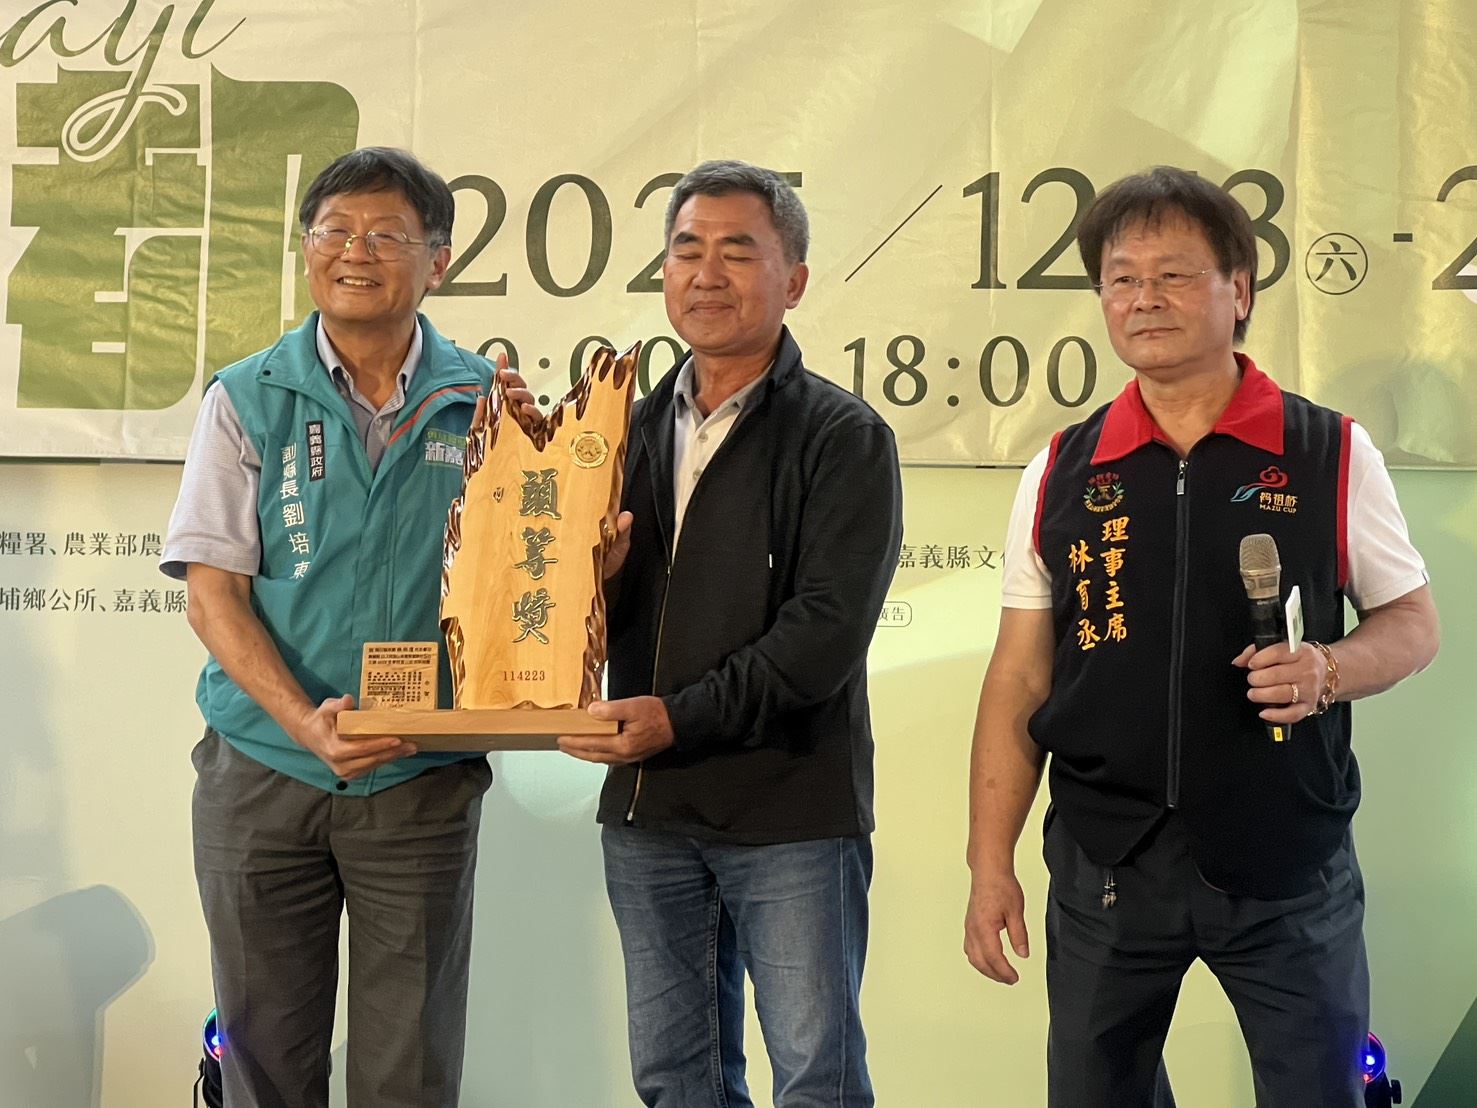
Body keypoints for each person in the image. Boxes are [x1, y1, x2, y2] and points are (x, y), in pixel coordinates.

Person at [962, 165, 1440, 1107]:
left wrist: (1328, 669)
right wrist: (988, 865)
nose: (1143, 299)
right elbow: (1019, 679)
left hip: (1284, 859)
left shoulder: (1327, 450)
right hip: (1105, 861)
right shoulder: (1061, 467)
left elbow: (1412, 624)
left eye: (1173, 275)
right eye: (1121, 278)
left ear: (1239, 290)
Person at [161, 147, 534, 1108]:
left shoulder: (486, 401)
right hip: (262, 771)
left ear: (438, 262)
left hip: (418, 774)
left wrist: (574, 529)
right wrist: (304, 722)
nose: (354, 252)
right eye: (334, 231)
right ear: (306, 250)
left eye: (384, 235)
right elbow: (212, 594)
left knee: (408, 1065)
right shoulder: (247, 395)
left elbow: (525, 581)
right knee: (261, 1057)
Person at [557, 160, 903, 1107]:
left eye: (737, 252)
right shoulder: (617, 433)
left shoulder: (842, 436)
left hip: (790, 812)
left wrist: (678, 717)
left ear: (794, 279)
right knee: (676, 1079)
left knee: (816, 1078)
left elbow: (822, 636)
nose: (705, 274)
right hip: (649, 813)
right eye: (686, 250)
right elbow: (576, 611)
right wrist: (589, 588)